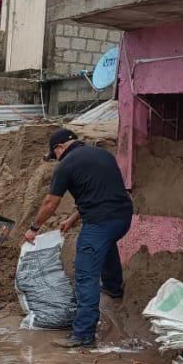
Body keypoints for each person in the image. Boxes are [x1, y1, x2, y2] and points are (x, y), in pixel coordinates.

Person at [24, 128, 134, 349]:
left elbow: (50, 203)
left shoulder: (67, 164)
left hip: (99, 222)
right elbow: (97, 191)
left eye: (54, 155)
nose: (55, 159)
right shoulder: (103, 155)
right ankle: (114, 287)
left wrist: (34, 228)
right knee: (106, 244)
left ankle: (83, 334)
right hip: (122, 217)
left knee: (85, 274)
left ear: (59, 148)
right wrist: (73, 218)